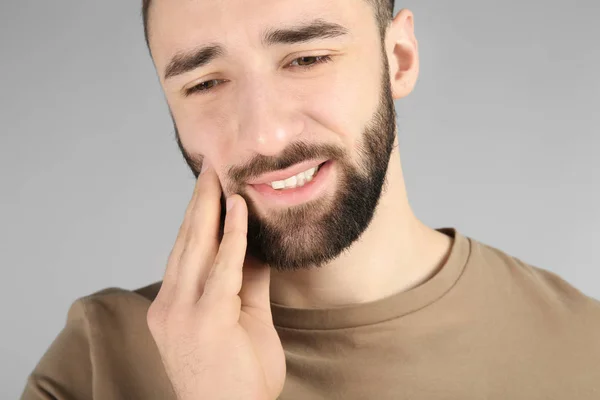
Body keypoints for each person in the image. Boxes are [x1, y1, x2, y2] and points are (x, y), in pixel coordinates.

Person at [21, 0, 600, 399]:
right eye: (204, 83)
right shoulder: (97, 363)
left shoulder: (584, 350)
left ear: (398, 59)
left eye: (307, 59)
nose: (264, 136)